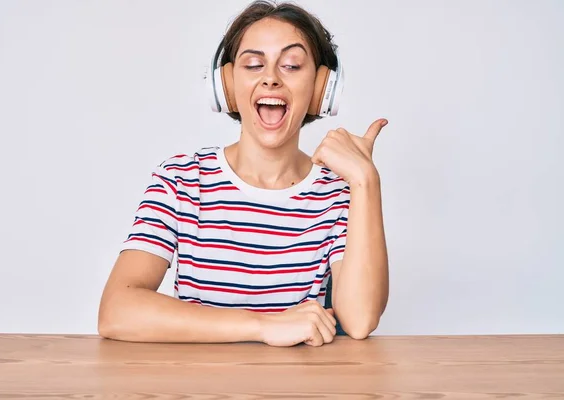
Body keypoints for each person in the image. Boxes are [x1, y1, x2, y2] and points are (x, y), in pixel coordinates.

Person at [98, 0, 389, 347]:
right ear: (227, 85)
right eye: (253, 64)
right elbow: (116, 310)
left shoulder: (336, 194)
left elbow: (359, 321)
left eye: (292, 65)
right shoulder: (181, 180)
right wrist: (263, 326)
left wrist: (365, 181)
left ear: (320, 89)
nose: (271, 79)